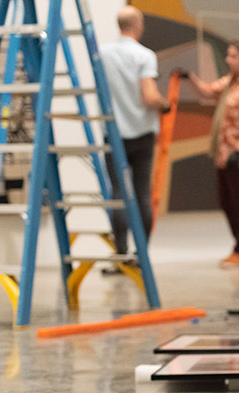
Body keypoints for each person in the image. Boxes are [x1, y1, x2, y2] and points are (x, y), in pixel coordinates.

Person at [182, 39, 239, 268]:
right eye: (228, 55)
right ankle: (238, 246)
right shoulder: (233, 82)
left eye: (233, 56)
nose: (227, 59)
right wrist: (190, 79)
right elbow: (209, 92)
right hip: (225, 154)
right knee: (227, 201)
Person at [99, 6, 171, 273]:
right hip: (141, 133)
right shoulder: (144, 55)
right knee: (141, 194)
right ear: (138, 24)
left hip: (113, 132)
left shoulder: (103, 54)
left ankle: (119, 255)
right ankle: (141, 255)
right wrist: (165, 105)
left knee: (118, 194)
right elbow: (148, 96)